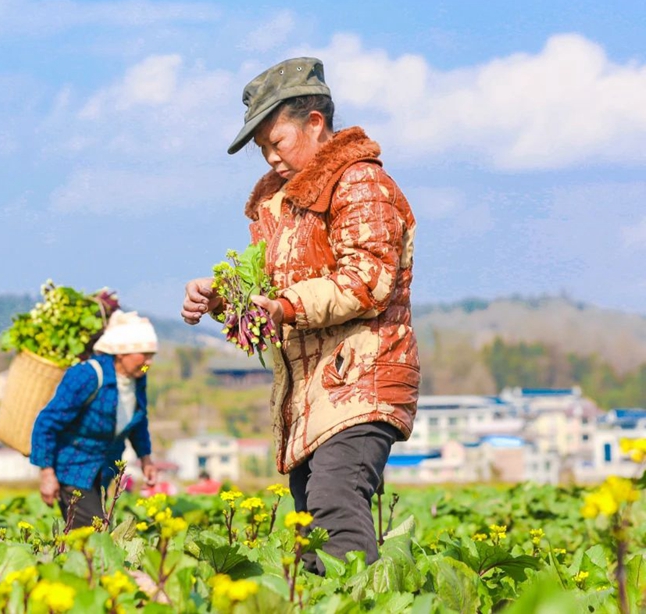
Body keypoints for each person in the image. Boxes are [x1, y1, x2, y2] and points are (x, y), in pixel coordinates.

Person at [181, 57, 419, 574]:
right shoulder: (277, 205)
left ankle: (359, 605)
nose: (269, 157)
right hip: (306, 391)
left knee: (335, 504)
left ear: (315, 123)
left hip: (361, 381)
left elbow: (367, 279)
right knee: (310, 521)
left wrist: (284, 307)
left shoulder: (360, 183)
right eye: (261, 149)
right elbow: (272, 289)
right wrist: (224, 297)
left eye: (277, 141)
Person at [30, 310, 159, 528]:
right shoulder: (87, 375)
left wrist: (146, 459)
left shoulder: (139, 377)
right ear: (121, 353)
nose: (148, 362)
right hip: (73, 468)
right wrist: (47, 474)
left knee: (90, 538)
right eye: (143, 355)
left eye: (151, 356)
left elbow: (139, 420)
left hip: (102, 471)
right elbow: (46, 423)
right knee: (95, 534)